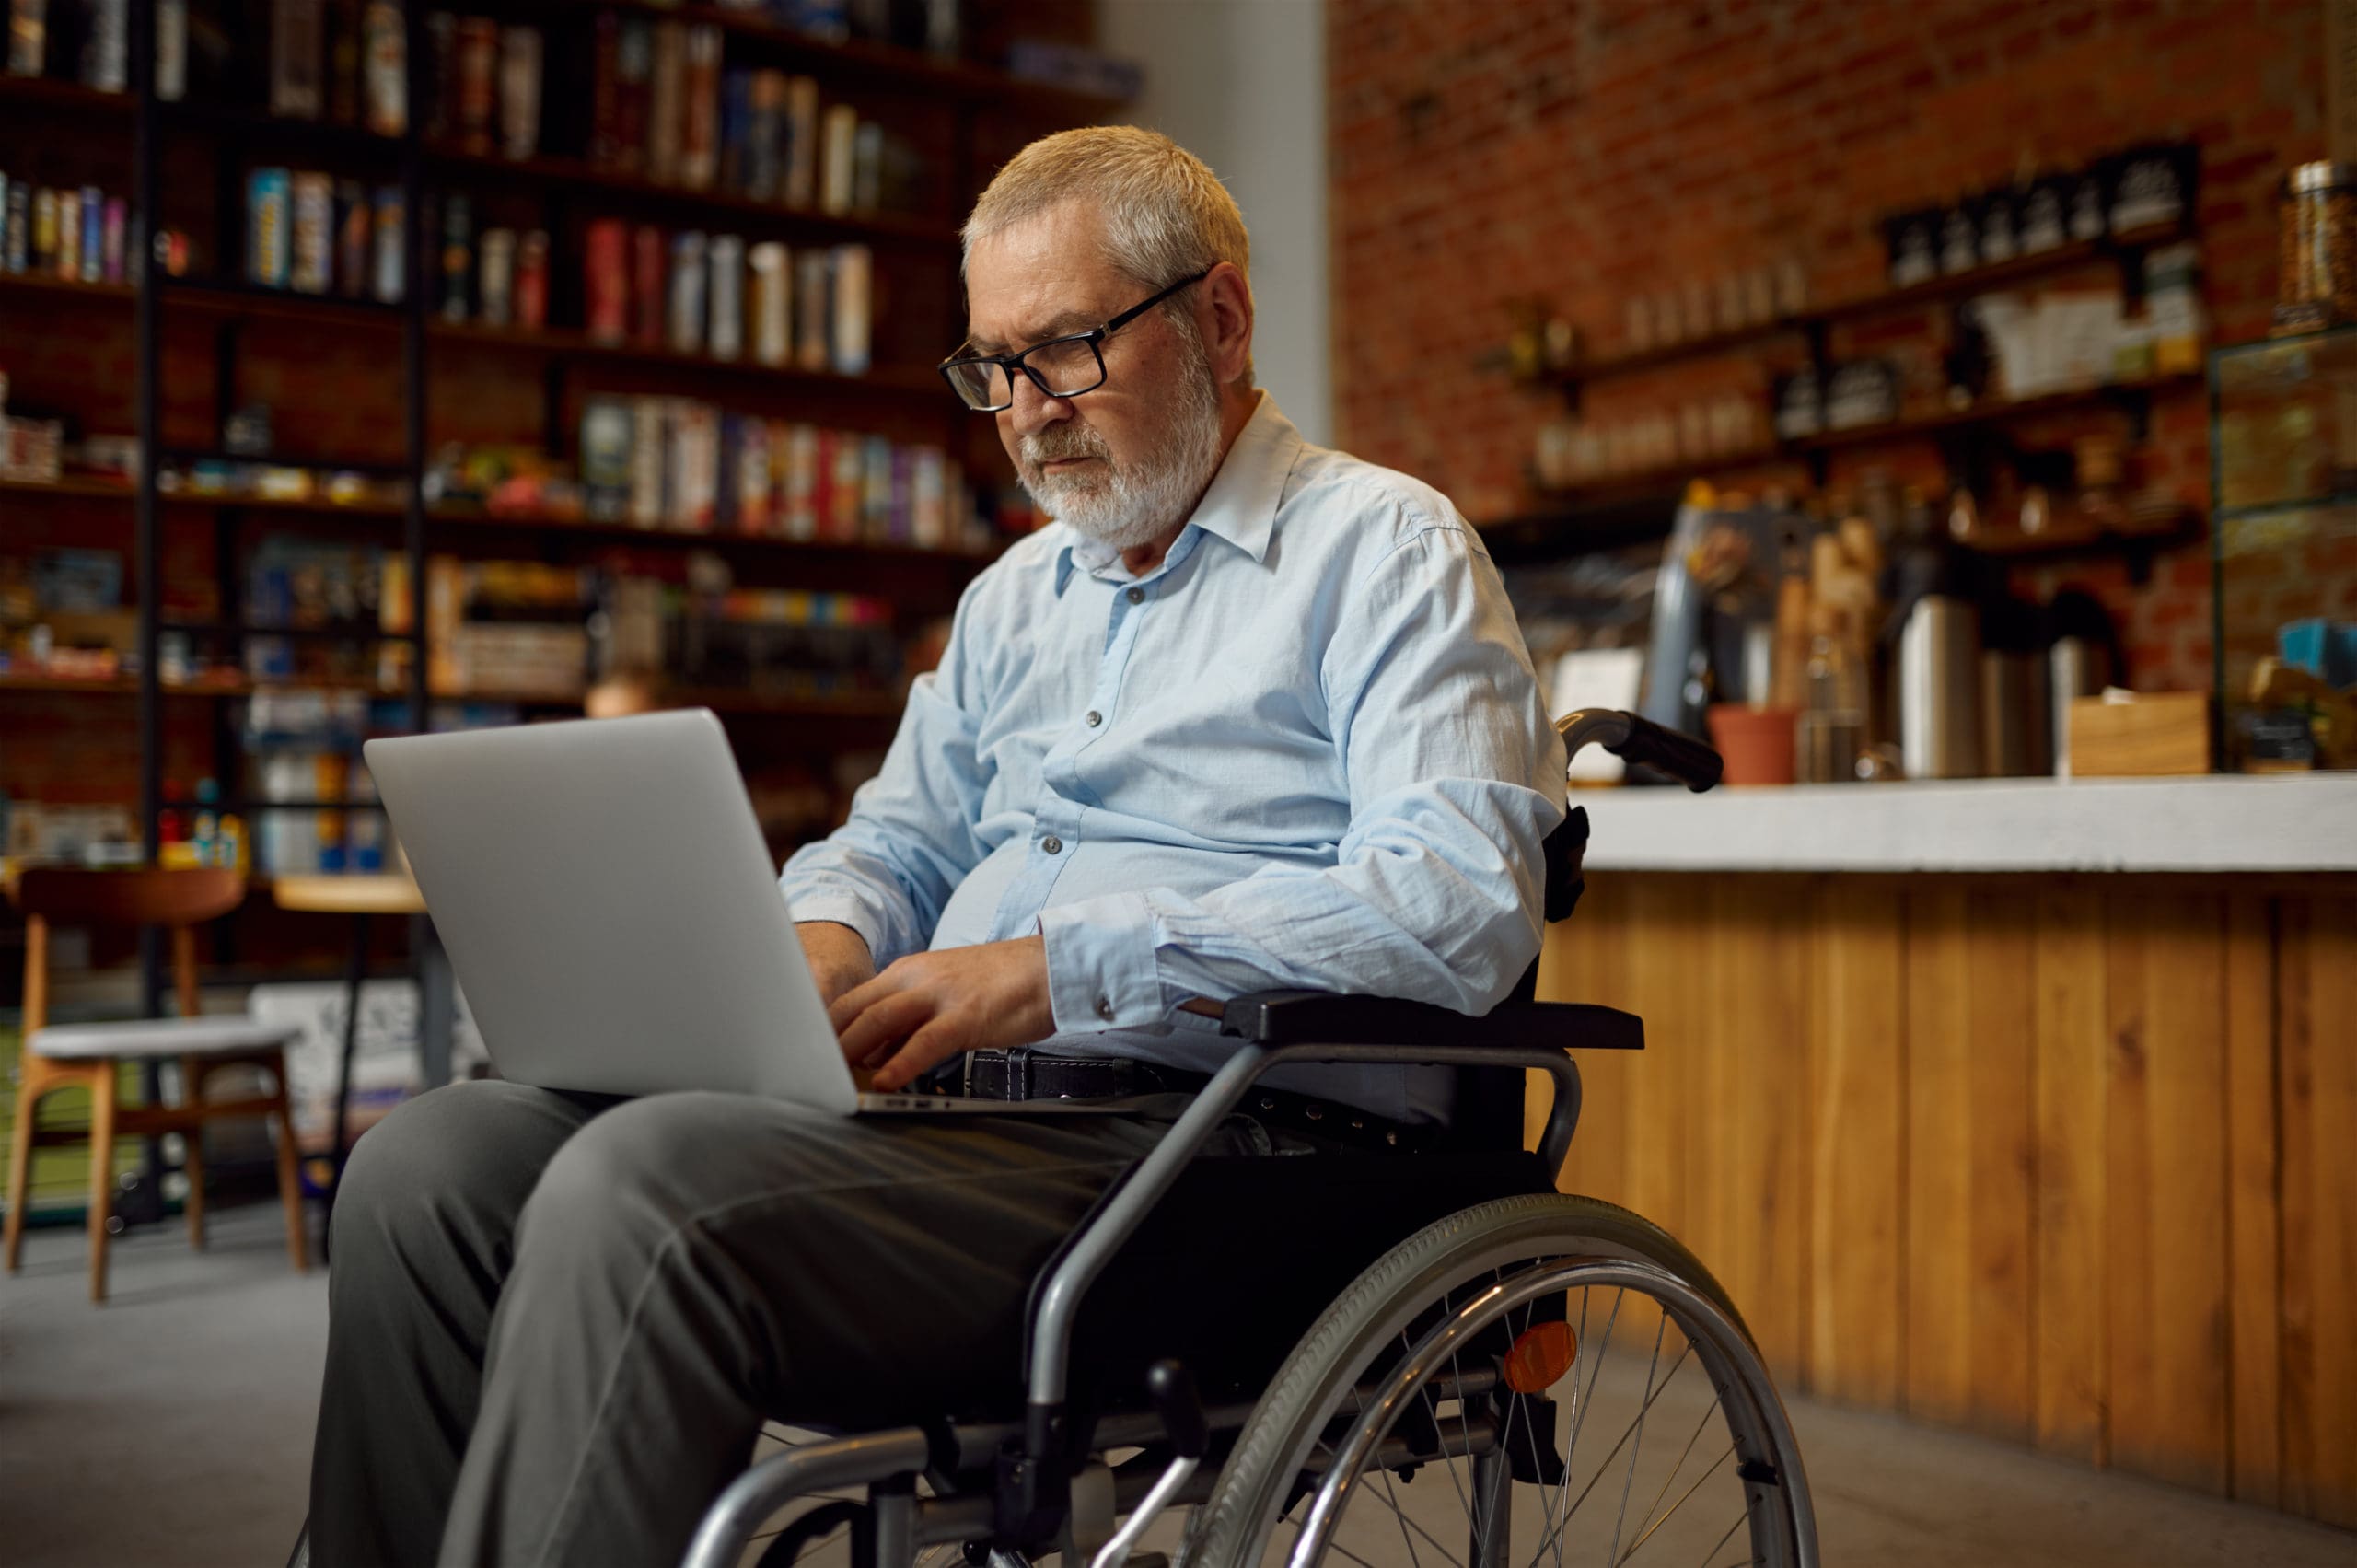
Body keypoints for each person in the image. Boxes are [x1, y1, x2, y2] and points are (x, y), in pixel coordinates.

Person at [305, 126, 1566, 1567]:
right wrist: (821, 945)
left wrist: (1049, 971)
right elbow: (896, 841)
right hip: (965, 1123)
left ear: (1219, 320)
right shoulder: (1013, 601)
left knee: (639, 1186)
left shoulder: (1387, 551)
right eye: (992, 368)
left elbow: (1459, 907)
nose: (1026, 413)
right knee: (435, 1161)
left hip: (1220, 1152)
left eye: (1067, 351)